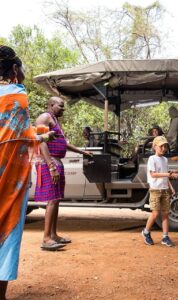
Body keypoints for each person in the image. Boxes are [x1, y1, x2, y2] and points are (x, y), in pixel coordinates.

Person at [0, 45, 54, 300]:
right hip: (10, 176)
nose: (23, 73)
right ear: (13, 69)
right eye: (21, 68)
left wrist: (42, 133)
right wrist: (42, 133)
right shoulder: (17, 95)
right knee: (7, 231)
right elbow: (20, 136)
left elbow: (15, 132)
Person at [34, 96, 92, 251]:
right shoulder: (44, 117)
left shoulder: (54, 120)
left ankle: (53, 235)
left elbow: (64, 144)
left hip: (57, 161)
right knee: (52, 200)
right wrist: (51, 166)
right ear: (51, 105)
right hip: (49, 162)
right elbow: (41, 142)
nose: (63, 109)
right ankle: (46, 239)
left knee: (57, 199)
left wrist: (82, 151)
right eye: (60, 106)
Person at [141, 136, 178, 247]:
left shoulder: (165, 160)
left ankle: (165, 237)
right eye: (161, 146)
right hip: (155, 190)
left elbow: (165, 174)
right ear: (155, 147)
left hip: (164, 190)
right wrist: (169, 174)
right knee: (155, 213)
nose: (163, 148)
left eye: (165, 146)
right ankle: (146, 232)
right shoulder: (152, 159)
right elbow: (153, 174)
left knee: (166, 214)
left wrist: (170, 187)